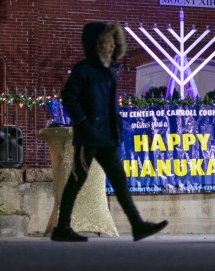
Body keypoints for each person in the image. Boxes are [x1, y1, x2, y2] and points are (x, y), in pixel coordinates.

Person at [51, 21, 168, 242]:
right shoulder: (83, 69)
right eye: (109, 40)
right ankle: (62, 228)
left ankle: (137, 225)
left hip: (107, 138)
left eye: (116, 41)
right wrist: (83, 120)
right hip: (89, 137)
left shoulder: (110, 71)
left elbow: (110, 107)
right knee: (76, 180)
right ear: (97, 43)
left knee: (120, 183)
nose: (113, 45)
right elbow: (68, 96)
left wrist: (117, 132)